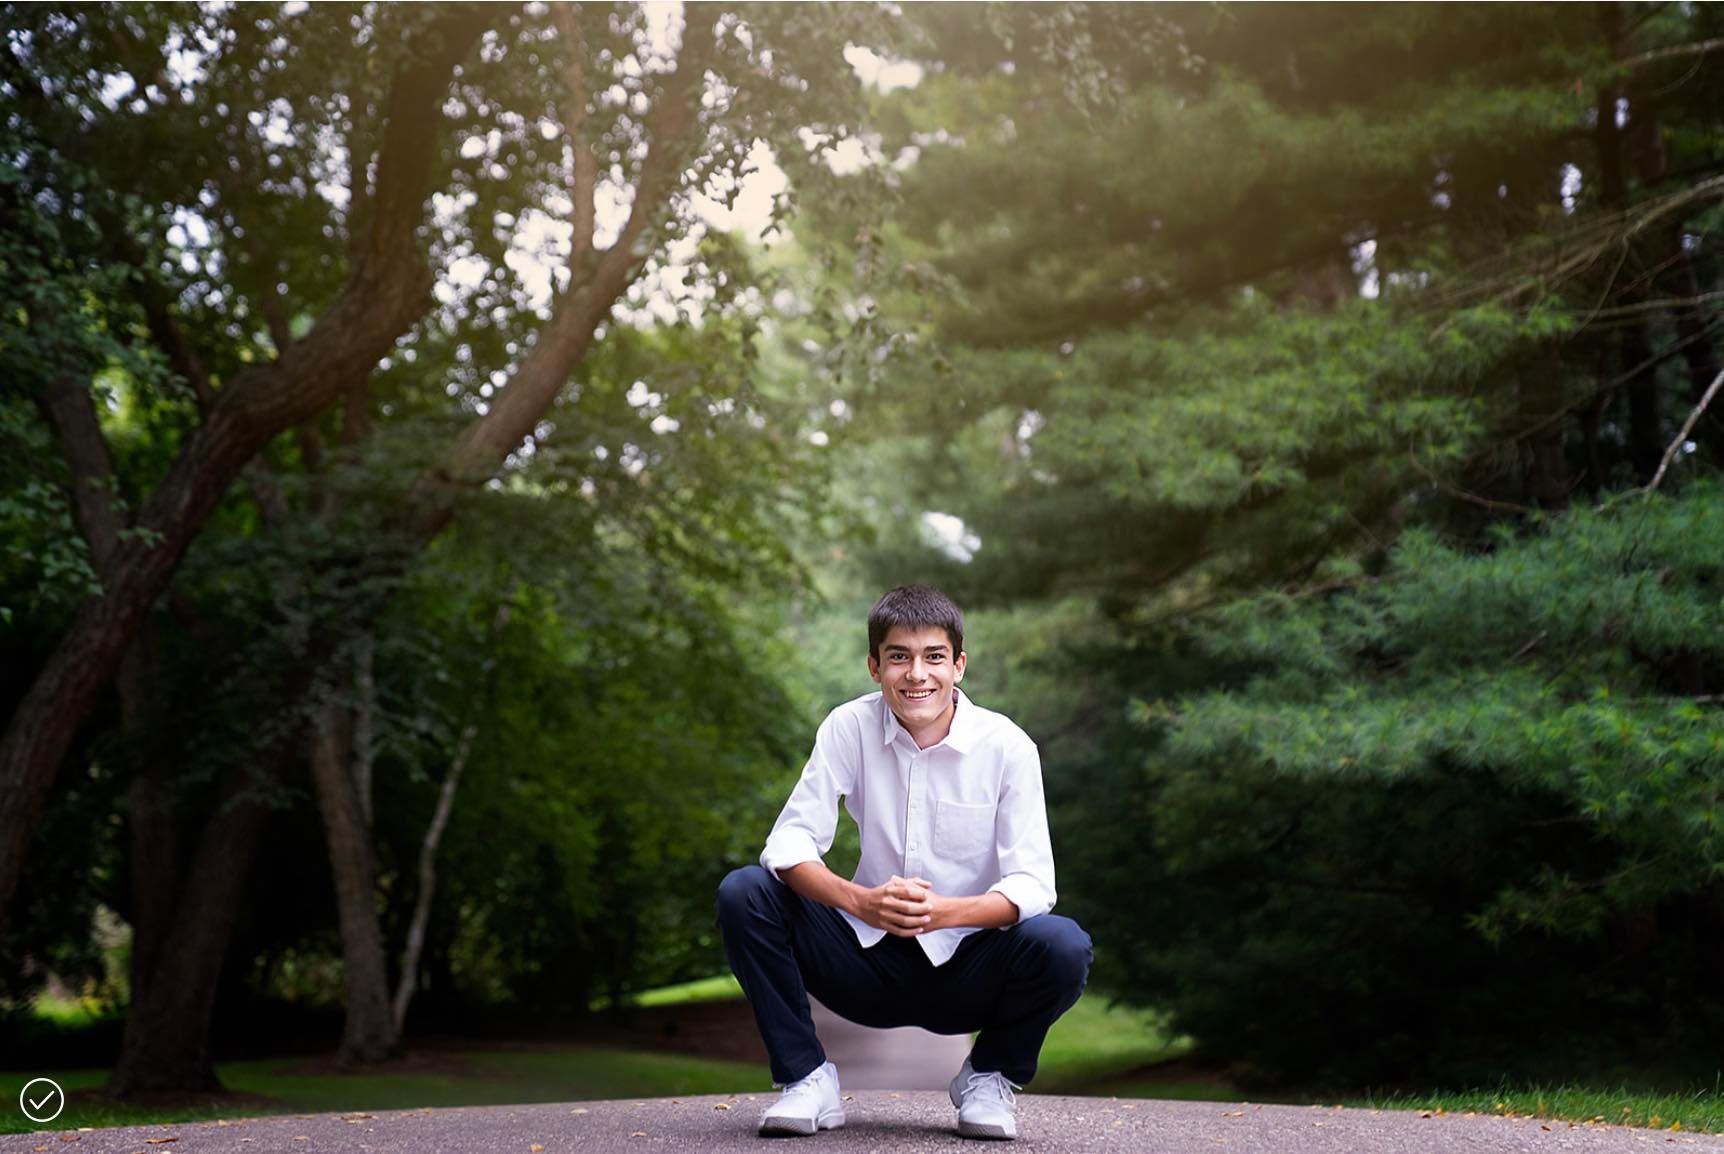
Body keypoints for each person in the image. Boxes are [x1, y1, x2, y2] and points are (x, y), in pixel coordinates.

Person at [715, 584, 1092, 1140]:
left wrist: (946, 912)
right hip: (863, 961)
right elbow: (789, 843)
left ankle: (989, 1076)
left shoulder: (1007, 746)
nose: (917, 674)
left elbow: (1033, 884)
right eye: (899, 657)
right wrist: (859, 900)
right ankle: (806, 1078)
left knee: (1064, 944)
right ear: (875, 667)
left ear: (959, 665)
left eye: (934, 657)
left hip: (968, 969)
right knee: (745, 891)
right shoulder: (848, 726)